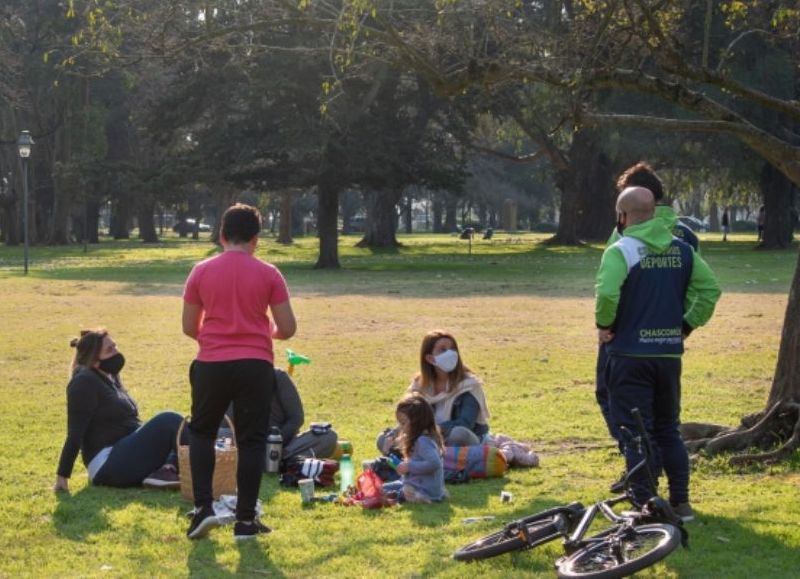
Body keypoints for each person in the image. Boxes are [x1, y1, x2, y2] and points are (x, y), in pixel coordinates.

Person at [595, 186, 721, 522]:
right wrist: (686, 325)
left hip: (628, 355)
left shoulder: (620, 250)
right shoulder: (682, 250)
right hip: (667, 356)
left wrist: (603, 324)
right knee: (668, 429)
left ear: (622, 217)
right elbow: (710, 291)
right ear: (654, 213)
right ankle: (680, 502)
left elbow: (607, 293)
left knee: (635, 432)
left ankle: (645, 505)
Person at [182, 203, 296, 541]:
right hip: (255, 363)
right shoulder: (269, 273)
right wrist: (263, 331)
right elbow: (287, 327)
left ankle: (203, 508)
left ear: (221, 234)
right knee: (251, 440)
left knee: (202, 432)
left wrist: (216, 335)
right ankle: (245, 520)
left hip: (212, 362)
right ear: (255, 239)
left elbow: (189, 326)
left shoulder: (200, 271)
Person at [55, 330, 183, 493]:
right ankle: (210, 467)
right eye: (110, 350)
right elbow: (75, 433)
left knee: (176, 436)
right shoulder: (84, 381)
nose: (117, 352)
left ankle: (165, 472)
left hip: (124, 452)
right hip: (107, 463)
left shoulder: (110, 377)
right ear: (95, 361)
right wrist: (62, 477)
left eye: (115, 346)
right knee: (169, 421)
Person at [377, 330, 490, 454]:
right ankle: (425, 456)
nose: (451, 353)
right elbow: (407, 419)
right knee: (383, 439)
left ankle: (423, 456)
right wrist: (393, 435)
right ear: (430, 358)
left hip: (458, 438)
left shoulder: (469, 384)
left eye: (453, 349)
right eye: (443, 349)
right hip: (428, 437)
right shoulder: (420, 386)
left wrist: (429, 430)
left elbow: (465, 424)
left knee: (459, 434)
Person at [226, 368, 338, 464]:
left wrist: (275, 442)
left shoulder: (278, 377)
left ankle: (280, 460)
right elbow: (226, 426)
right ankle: (284, 462)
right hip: (248, 448)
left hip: (286, 445)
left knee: (328, 436)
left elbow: (296, 418)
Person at [383, 393, 446, 503]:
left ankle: (416, 498)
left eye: (403, 423)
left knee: (399, 492)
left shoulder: (423, 441)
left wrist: (409, 466)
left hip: (424, 490)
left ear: (417, 422)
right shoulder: (416, 438)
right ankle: (397, 494)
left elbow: (434, 463)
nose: (401, 428)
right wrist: (400, 465)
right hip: (413, 483)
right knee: (381, 488)